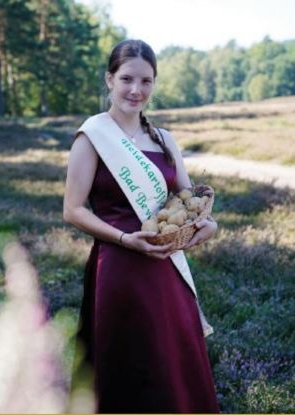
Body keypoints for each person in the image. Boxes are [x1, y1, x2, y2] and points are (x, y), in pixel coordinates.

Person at [63, 39, 219, 413]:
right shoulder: (92, 136)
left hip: (166, 266)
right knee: (125, 364)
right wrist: (125, 239)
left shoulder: (164, 139)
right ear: (109, 79)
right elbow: (72, 210)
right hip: (118, 268)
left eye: (146, 81)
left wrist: (208, 224)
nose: (136, 90)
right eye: (127, 79)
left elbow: (188, 198)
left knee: (171, 363)